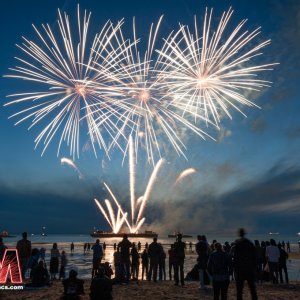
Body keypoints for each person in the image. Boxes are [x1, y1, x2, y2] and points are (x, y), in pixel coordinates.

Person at [233, 228, 257, 300]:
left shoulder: (237, 243)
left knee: (239, 290)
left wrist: (235, 268)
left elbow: (235, 257)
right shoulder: (250, 243)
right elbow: (254, 257)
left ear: (239, 234)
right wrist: (254, 267)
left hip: (240, 269)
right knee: (252, 289)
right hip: (249, 268)